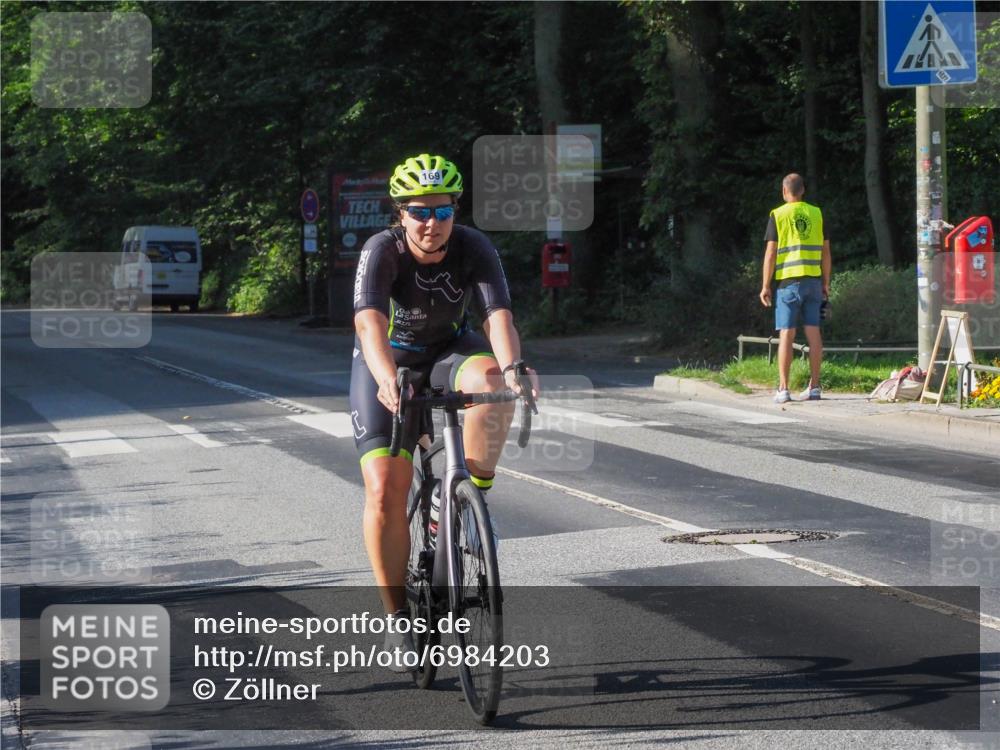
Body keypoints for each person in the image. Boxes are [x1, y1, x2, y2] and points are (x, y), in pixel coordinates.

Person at [350, 153, 538, 671]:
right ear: (400, 214)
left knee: (494, 383)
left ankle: (462, 502)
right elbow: (368, 321)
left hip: (449, 353)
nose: (431, 223)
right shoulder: (382, 250)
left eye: (442, 212)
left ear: (455, 211)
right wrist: (387, 377)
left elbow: (496, 314)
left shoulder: (473, 246)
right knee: (385, 489)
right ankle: (397, 619)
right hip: (388, 362)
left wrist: (516, 365)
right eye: (419, 212)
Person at [759, 173, 831, 404]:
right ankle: (815, 386)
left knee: (787, 335)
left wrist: (765, 285)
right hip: (813, 282)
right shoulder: (817, 213)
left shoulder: (778, 215)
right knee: (814, 333)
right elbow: (825, 252)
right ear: (803, 191)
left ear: (784, 191)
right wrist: (826, 282)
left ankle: (783, 388)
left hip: (789, 284)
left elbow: (771, 253)